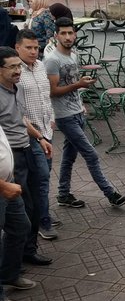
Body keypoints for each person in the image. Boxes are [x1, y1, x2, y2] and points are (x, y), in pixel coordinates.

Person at [44, 18, 125, 209]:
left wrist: (80, 98)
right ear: (56, 36)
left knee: (68, 157)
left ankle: (63, 194)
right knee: (91, 155)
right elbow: (52, 91)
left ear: (75, 34)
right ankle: (111, 194)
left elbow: (72, 85)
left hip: (77, 112)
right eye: (63, 33)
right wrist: (79, 84)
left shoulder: (73, 55)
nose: (67, 37)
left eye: (70, 33)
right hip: (64, 116)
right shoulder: (52, 60)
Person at [0, 46, 55, 267]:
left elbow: (21, 119)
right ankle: (12, 264)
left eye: (18, 66)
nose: (17, 71)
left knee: (31, 205)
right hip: (11, 157)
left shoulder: (17, 88)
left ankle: (27, 252)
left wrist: (40, 138)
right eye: (12, 67)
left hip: (27, 148)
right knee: (19, 210)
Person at [15, 30, 60, 241]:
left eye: (36, 48)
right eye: (29, 48)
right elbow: (14, 109)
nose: (34, 52)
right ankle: (43, 221)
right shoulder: (15, 72)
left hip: (46, 130)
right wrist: (37, 134)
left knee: (41, 178)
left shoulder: (41, 66)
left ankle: (38, 214)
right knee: (41, 177)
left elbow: (45, 95)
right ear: (18, 48)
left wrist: (50, 118)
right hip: (29, 135)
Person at [0, 124, 37, 297]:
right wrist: (2, 186)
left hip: (8, 182)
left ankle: (8, 274)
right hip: (3, 187)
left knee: (20, 227)